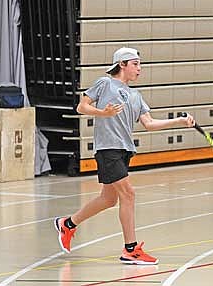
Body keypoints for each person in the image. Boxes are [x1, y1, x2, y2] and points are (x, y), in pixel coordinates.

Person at [54, 47, 195, 265]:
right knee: (128, 194)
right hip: (107, 148)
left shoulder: (136, 95)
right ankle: (130, 249)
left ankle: (68, 224)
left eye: (140, 64)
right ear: (122, 64)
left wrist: (179, 121)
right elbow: (81, 107)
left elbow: (149, 124)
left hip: (124, 150)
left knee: (109, 199)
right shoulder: (105, 83)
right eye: (135, 64)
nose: (140, 69)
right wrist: (103, 113)